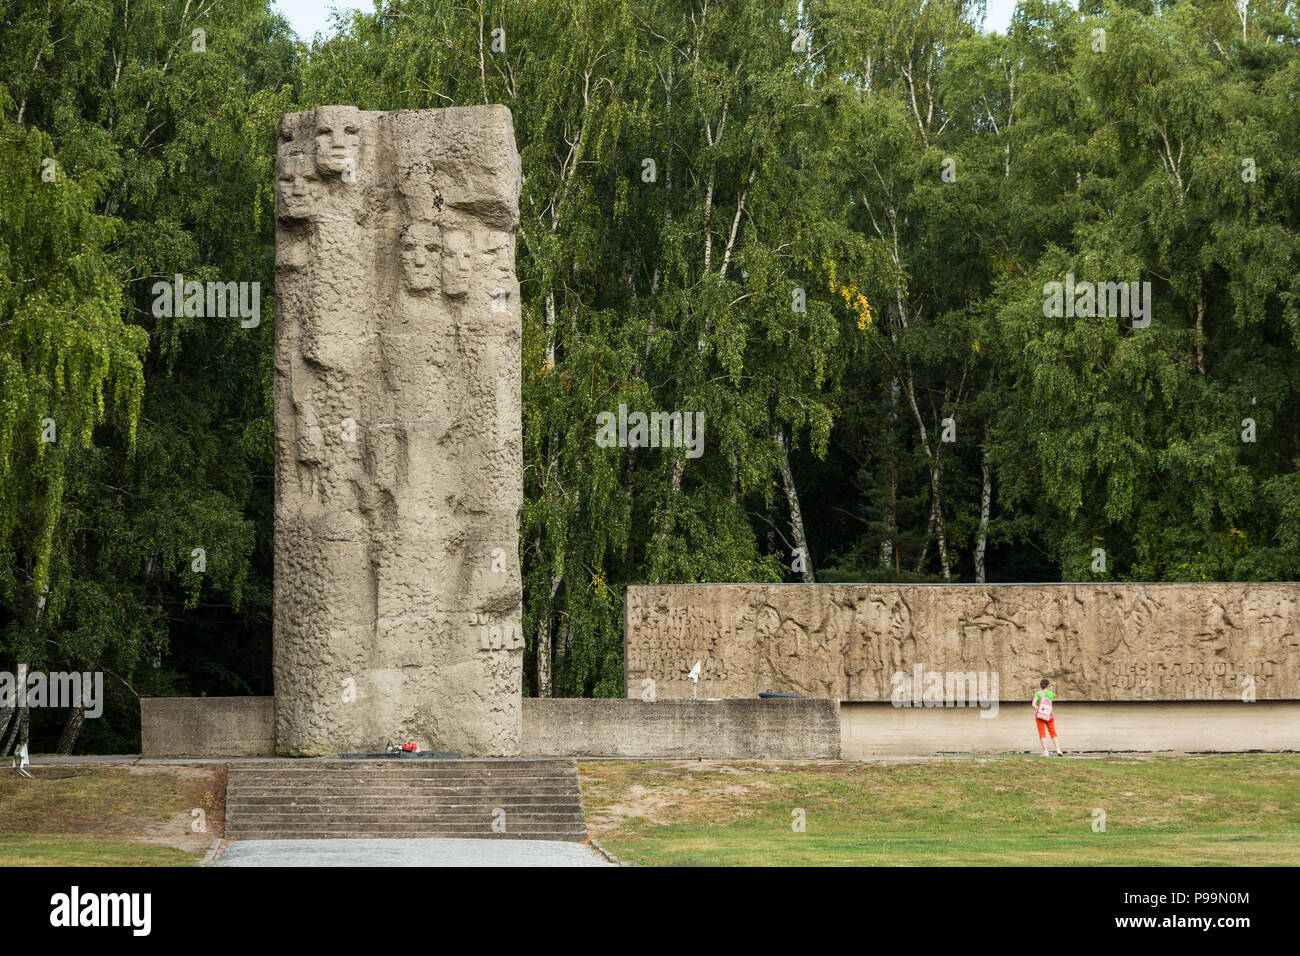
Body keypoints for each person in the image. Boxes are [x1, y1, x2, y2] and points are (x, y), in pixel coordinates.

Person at [1033, 679, 1064, 757]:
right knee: (1053, 732)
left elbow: (1033, 704)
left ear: (1041, 685)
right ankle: (1058, 750)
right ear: (1048, 685)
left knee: (1042, 733)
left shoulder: (1037, 693)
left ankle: (1046, 752)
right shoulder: (1051, 694)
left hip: (1040, 716)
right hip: (1049, 714)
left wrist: (1039, 710)